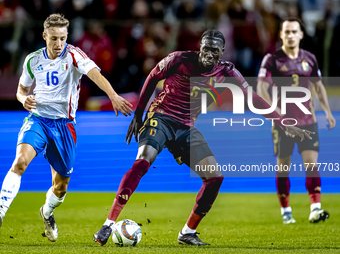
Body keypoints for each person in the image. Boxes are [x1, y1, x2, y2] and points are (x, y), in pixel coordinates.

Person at [93, 29, 312, 246]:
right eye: (205, 48)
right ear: (200, 47)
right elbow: (152, 77)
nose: (208, 54)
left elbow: (252, 98)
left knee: (215, 178)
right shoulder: (178, 59)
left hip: (187, 127)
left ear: (222, 52)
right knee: (142, 161)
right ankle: (108, 224)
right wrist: (139, 115)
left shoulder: (227, 71)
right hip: (161, 117)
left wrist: (283, 122)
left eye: (214, 51)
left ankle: (188, 232)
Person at [0, 14, 133, 242]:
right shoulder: (32, 60)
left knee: (60, 188)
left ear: (67, 36)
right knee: (20, 162)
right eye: (53, 38)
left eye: (62, 38)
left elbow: (94, 74)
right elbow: (21, 90)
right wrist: (23, 100)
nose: (58, 43)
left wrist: (112, 95)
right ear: (45, 36)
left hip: (65, 126)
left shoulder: (74, 55)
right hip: (39, 120)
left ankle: (47, 212)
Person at [257, 18, 336, 224]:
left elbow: (318, 87)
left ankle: (315, 209)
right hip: (283, 124)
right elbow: (261, 88)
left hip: (308, 121)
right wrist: (273, 111)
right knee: (284, 168)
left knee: (311, 164)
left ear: (301, 34)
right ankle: (286, 211)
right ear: (281, 35)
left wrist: (327, 111)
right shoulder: (271, 60)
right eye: (287, 32)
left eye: (294, 31)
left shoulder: (310, 58)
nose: (291, 35)